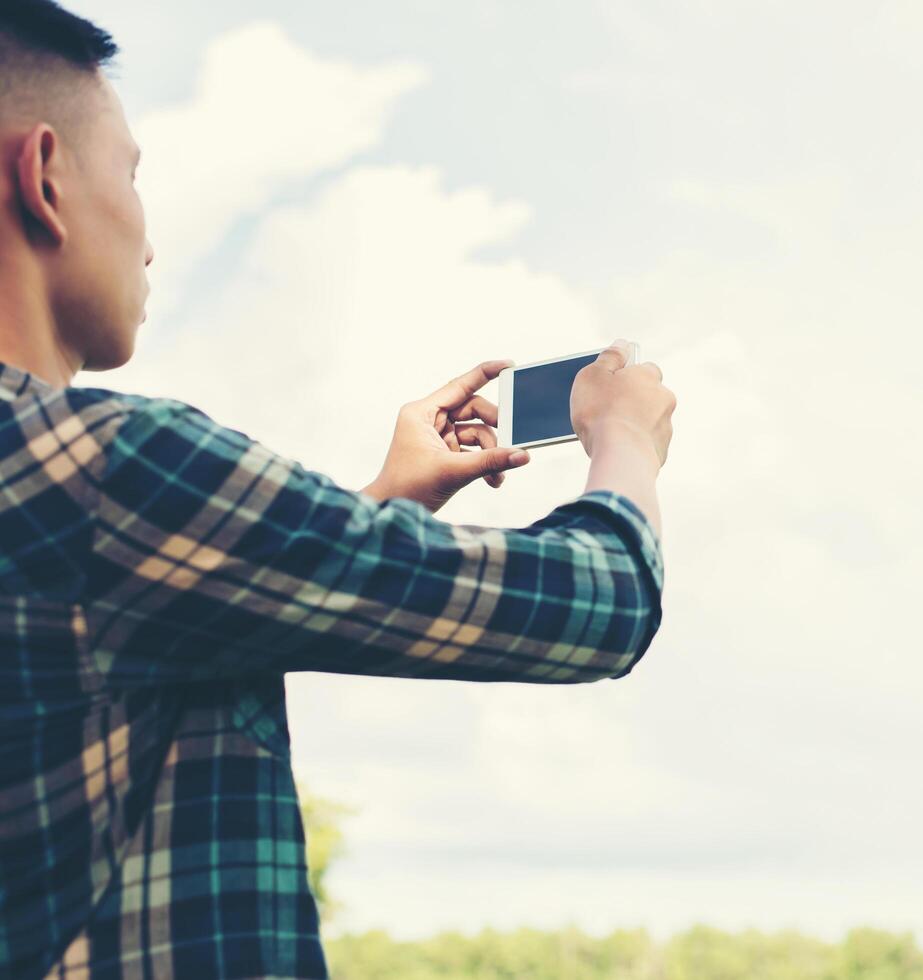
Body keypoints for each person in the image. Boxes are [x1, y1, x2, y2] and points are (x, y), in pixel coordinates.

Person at [0, 2, 677, 977]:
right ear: (45, 177)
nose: (148, 242)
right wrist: (622, 438)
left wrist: (384, 505)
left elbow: (107, 638)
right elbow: (596, 604)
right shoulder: (118, 467)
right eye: (133, 176)